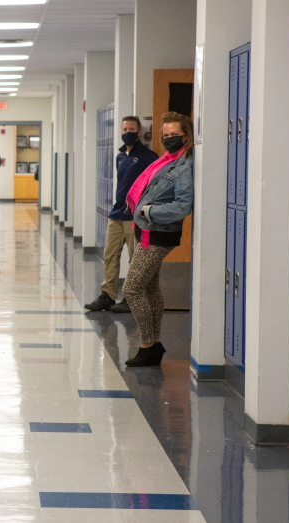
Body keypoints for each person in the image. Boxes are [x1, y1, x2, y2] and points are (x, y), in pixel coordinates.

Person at [123, 112, 195, 367]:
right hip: (146, 230)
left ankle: (147, 344)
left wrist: (148, 211)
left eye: (174, 135)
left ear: (186, 135)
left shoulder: (184, 165)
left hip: (158, 233)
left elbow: (182, 206)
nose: (169, 139)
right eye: (165, 135)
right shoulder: (166, 162)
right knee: (149, 288)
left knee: (131, 288)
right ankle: (153, 343)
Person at [85, 116, 159, 313]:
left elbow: (155, 186)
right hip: (116, 214)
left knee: (135, 259)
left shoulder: (148, 156)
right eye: (124, 129)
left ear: (139, 132)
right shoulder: (119, 156)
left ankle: (132, 297)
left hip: (135, 217)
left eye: (132, 129)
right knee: (110, 256)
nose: (128, 132)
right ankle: (107, 295)